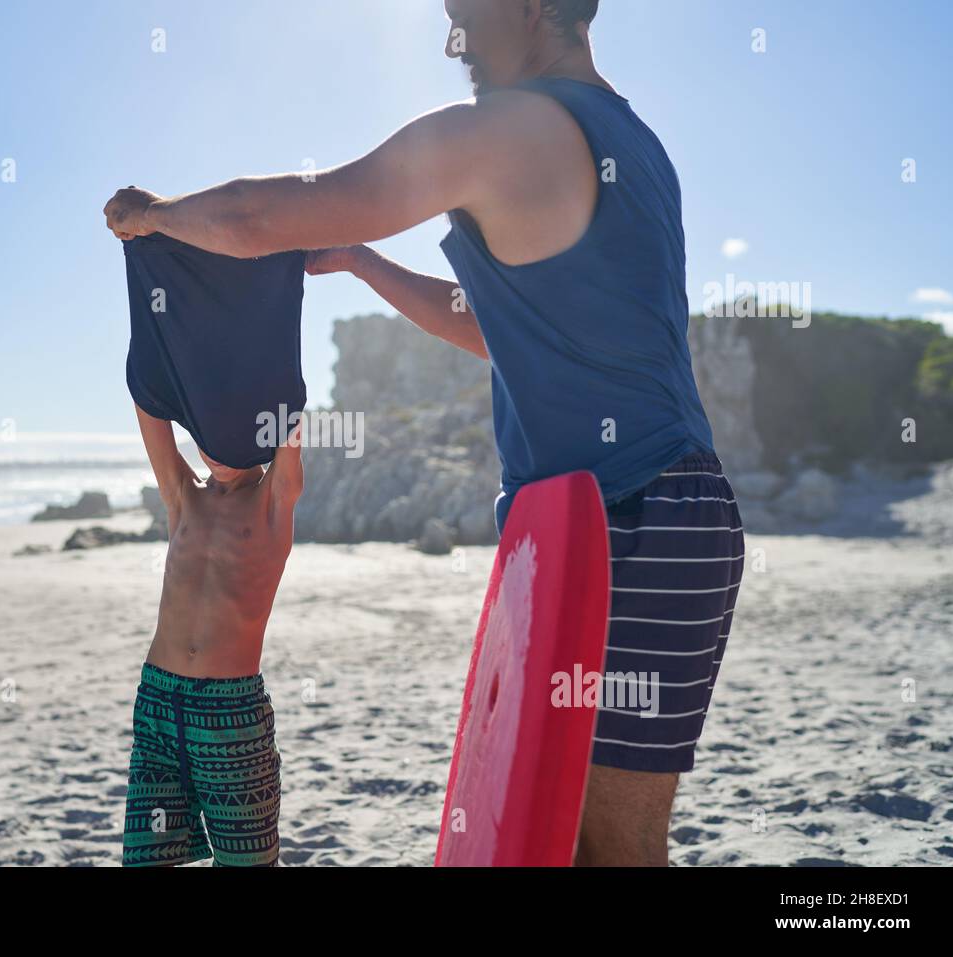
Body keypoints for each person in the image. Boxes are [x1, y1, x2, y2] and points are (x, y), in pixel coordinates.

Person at [105, 0, 744, 866]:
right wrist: (365, 264)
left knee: (609, 847)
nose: (453, 41)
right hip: (608, 522)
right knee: (556, 842)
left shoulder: (509, 126)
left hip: (634, 514)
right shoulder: (634, 144)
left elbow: (271, 216)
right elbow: (496, 328)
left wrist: (156, 215)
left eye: (463, 13)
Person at [120, 405, 303, 866]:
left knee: (249, 863)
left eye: (228, 435)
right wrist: (151, 332)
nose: (214, 450)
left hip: (231, 717)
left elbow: (291, 411)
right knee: (148, 858)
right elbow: (147, 407)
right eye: (205, 435)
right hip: (159, 706)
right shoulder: (183, 494)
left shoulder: (272, 499)